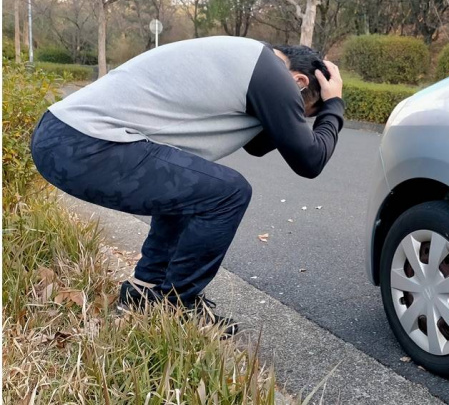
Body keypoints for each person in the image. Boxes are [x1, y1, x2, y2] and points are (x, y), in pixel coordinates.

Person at [30, 36, 345, 335]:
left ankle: (145, 292)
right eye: (303, 112)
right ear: (299, 82)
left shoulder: (251, 61)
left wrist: (305, 113)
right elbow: (310, 160)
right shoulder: (273, 74)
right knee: (229, 193)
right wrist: (333, 107)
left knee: (194, 183)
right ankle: (178, 305)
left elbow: (259, 145)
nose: (295, 116)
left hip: (64, 136)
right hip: (84, 144)